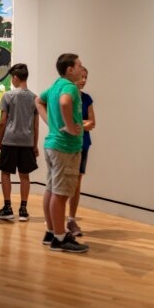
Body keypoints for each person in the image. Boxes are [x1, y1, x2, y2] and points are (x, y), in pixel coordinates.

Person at [35, 53, 88, 253]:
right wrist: (68, 126)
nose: (82, 70)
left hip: (53, 145)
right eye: (79, 66)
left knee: (51, 189)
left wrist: (51, 123)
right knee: (60, 193)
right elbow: (65, 103)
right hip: (66, 147)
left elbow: (38, 101)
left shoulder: (56, 85)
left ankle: (51, 232)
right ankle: (59, 237)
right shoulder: (69, 87)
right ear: (70, 70)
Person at [0, 64, 39, 222]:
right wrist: (34, 145)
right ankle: (23, 209)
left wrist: (0, 141)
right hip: (27, 141)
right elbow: (35, 125)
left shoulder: (8, 96)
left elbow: (2, 122)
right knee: (24, 175)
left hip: (10, 140)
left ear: (15, 77)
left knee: (5, 173)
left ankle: (7, 207)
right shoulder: (34, 98)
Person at [67, 66, 95, 236]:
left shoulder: (87, 99)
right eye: (81, 77)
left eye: (86, 77)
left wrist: (77, 125)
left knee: (76, 185)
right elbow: (65, 120)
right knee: (64, 184)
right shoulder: (67, 96)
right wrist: (81, 124)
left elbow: (92, 123)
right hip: (67, 145)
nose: (83, 80)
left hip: (83, 145)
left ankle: (71, 219)